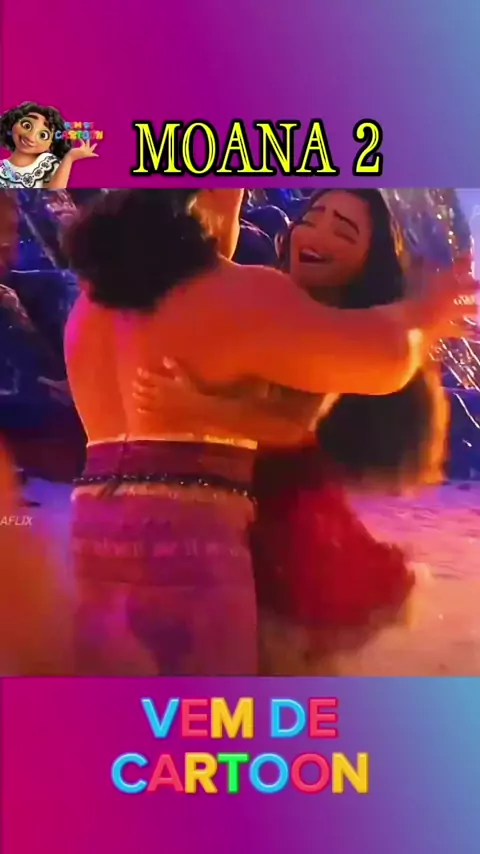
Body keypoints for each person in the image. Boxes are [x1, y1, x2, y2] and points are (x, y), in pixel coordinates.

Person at [63, 188, 474, 676]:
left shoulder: (94, 301)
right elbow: (384, 361)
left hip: (93, 530)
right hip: (189, 537)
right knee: (215, 717)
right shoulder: (246, 294)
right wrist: (424, 314)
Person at [0, 102, 98, 189]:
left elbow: (54, 193)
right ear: (12, 124)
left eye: (43, 135)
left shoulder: (47, 164)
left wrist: (69, 158)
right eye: (27, 125)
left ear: (52, 143)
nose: (31, 137)